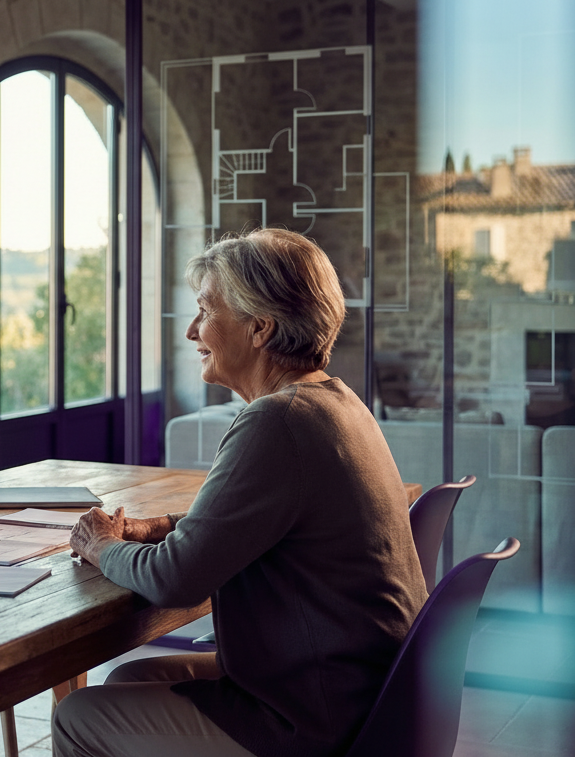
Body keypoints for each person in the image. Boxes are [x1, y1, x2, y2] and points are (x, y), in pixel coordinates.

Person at [54, 230, 428, 757]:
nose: (191, 331)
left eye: (205, 310)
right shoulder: (334, 402)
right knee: (128, 681)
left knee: (78, 716)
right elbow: (258, 518)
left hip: (313, 718)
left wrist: (101, 546)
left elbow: (174, 579)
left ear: (259, 328)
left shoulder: (279, 420)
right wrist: (159, 528)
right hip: (358, 692)